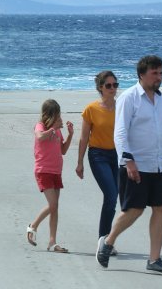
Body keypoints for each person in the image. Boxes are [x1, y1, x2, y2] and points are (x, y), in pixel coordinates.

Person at [96, 55, 162, 276]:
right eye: (155, 73)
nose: (159, 78)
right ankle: (108, 242)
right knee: (134, 210)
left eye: (161, 73)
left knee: (161, 208)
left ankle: (154, 259)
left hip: (159, 163)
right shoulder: (129, 98)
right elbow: (120, 133)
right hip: (136, 164)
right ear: (142, 74)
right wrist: (128, 160)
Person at [76, 71, 119, 242]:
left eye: (115, 85)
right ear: (100, 88)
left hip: (117, 156)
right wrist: (80, 163)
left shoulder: (122, 106)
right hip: (98, 155)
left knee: (114, 196)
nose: (112, 88)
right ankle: (104, 239)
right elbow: (84, 138)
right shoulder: (91, 109)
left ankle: (107, 238)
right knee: (111, 194)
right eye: (108, 85)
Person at [26, 99, 73, 253]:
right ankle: (33, 226)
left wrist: (70, 134)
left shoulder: (57, 130)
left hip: (56, 171)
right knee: (52, 205)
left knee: (55, 208)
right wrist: (52, 128)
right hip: (43, 170)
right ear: (49, 115)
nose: (59, 117)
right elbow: (40, 137)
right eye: (57, 114)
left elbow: (63, 150)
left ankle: (52, 242)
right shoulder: (41, 126)